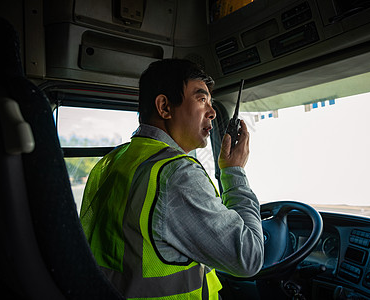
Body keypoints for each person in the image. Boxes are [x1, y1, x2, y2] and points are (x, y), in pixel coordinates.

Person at [80, 59, 264, 299]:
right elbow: (249, 259)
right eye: (201, 99)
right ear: (165, 107)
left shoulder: (114, 160)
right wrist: (234, 172)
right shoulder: (176, 175)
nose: (212, 111)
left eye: (210, 101)